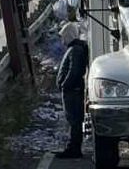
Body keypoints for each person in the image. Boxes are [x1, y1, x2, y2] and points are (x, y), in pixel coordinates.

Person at [55, 22, 89, 159]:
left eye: (63, 37)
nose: (62, 40)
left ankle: (73, 149)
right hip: (72, 90)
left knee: (74, 120)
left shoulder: (75, 50)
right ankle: (73, 147)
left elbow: (74, 71)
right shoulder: (76, 48)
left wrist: (65, 84)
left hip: (72, 91)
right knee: (73, 120)